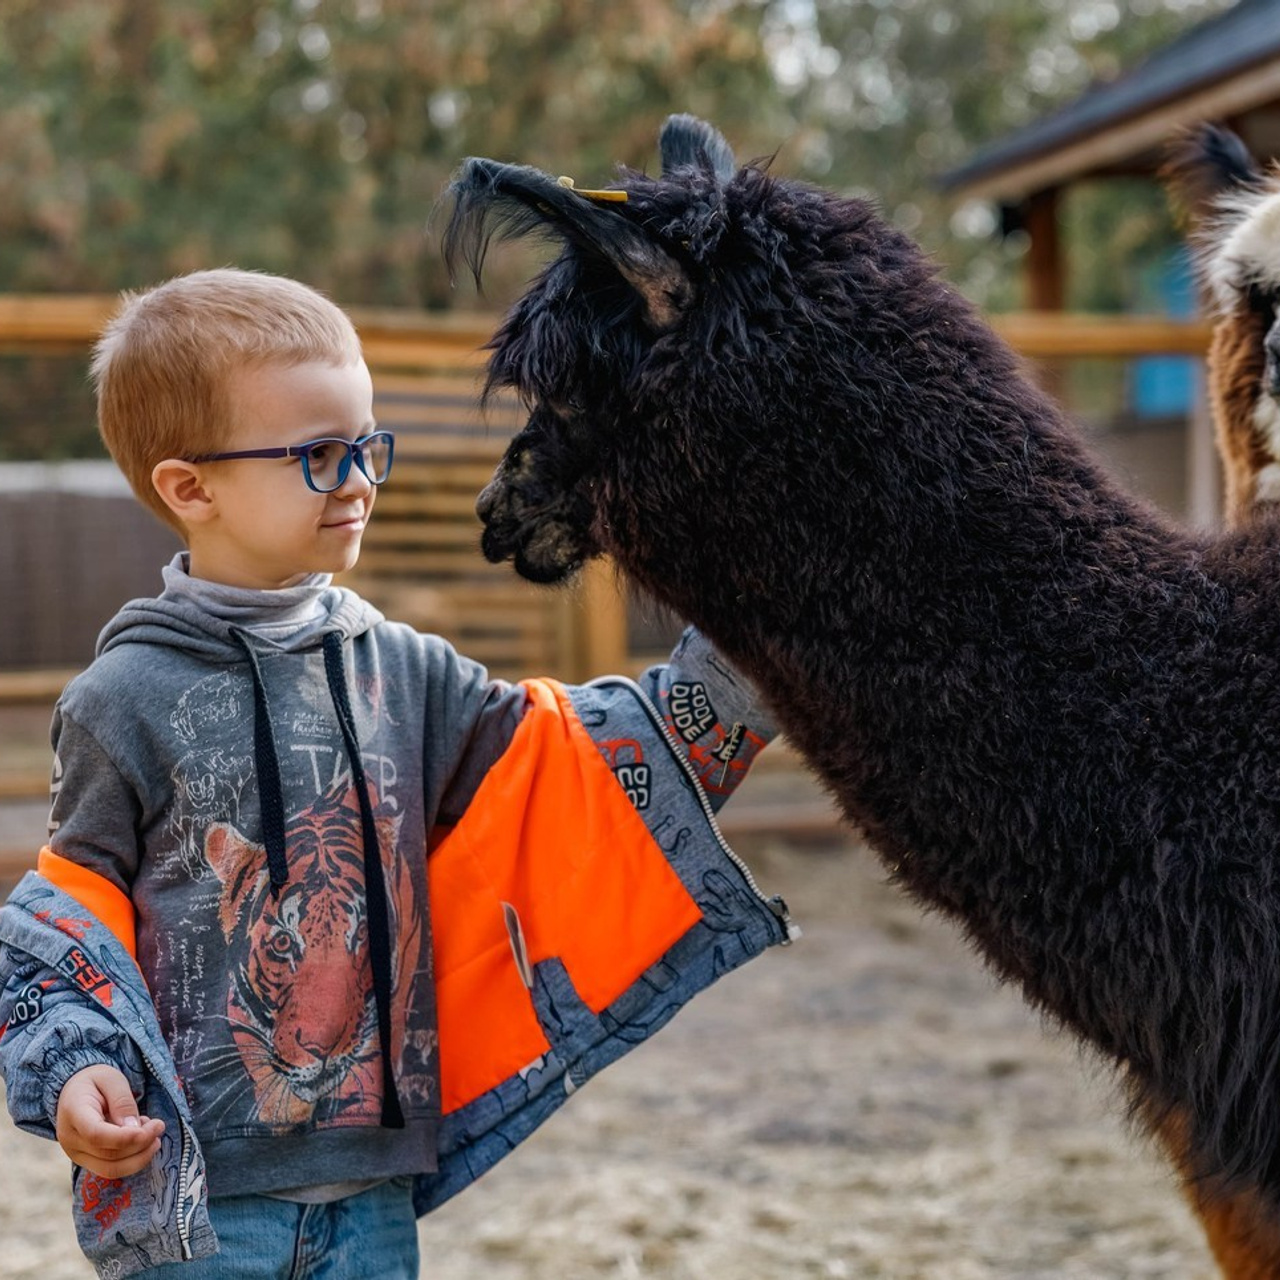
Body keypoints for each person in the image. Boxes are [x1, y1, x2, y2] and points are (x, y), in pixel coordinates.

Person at [0, 268, 794, 1278]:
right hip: (199, 1205)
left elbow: (572, 772)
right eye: (319, 455)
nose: (360, 478)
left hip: (376, 1200)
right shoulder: (122, 698)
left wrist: (756, 642)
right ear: (189, 486)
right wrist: (76, 1072)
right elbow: (65, 928)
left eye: (367, 445)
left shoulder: (402, 670)